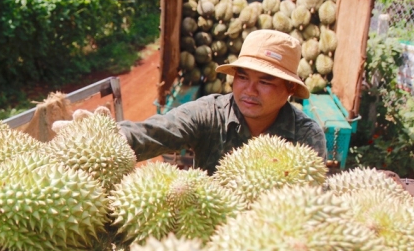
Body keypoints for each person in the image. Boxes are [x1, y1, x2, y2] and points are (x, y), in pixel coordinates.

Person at [117, 29, 327, 175]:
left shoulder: (305, 137)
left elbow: (310, 201)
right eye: (243, 78)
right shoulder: (209, 113)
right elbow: (156, 132)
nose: (249, 90)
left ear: (290, 89)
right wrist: (109, 134)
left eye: (264, 82)